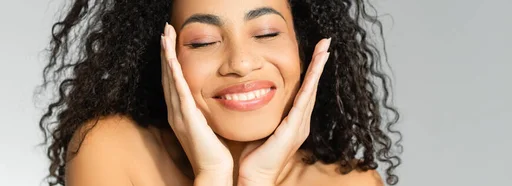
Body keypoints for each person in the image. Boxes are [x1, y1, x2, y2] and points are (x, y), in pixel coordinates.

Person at [38, 0, 402, 185]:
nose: (241, 63)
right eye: (203, 41)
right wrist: (212, 174)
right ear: (165, 56)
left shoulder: (352, 184)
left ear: (303, 46)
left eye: (266, 33)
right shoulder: (112, 149)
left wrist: (256, 179)